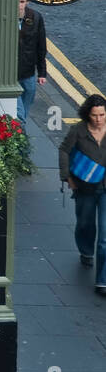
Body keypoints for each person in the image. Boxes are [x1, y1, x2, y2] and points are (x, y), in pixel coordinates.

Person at [59, 94, 106, 292]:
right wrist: (67, 178)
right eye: (95, 115)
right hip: (84, 187)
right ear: (88, 114)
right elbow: (64, 151)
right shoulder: (78, 131)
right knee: (85, 223)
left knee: (104, 237)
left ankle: (102, 280)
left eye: (102, 115)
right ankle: (86, 251)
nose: (99, 119)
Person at [16, 0, 47, 123]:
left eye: (22, 2)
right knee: (20, 113)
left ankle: (19, 125)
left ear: (27, 2)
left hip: (28, 71)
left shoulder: (36, 17)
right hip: (10, 73)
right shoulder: (4, 16)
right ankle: (20, 127)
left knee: (28, 96)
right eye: (17, 2)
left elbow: (41, 46)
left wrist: (42, 73)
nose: (19, 5)